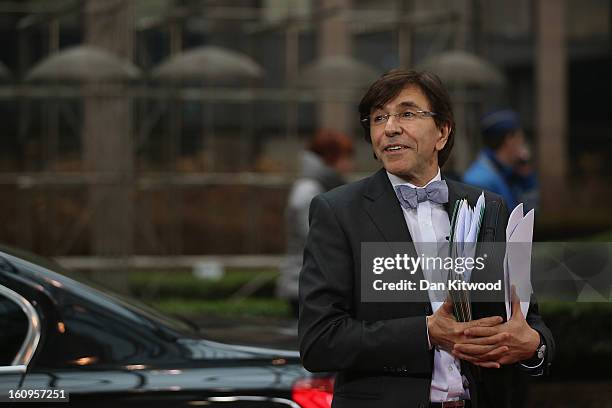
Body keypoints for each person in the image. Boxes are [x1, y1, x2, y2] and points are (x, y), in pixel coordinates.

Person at [298, 70, 554, 408]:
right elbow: (319, 340)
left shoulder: (488, 207)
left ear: (442, 132)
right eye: (378, 117)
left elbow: (529, 320)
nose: (390, 127)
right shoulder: (338, 212)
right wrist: (427, 332)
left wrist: (534, 346)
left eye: (406, 113)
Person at [277, 130, 354, 318]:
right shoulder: (309, 190)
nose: (351, 164)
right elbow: (317, 239)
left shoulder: (323, 186)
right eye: (347, 157)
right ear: (332, 157)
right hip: (307, 285)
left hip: (315, 283)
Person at [463, 109, 538, 211]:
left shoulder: (507, 172)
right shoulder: (480, 181)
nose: (523, 144)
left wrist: (525, 179)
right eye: (520, 137)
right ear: (509, 140)